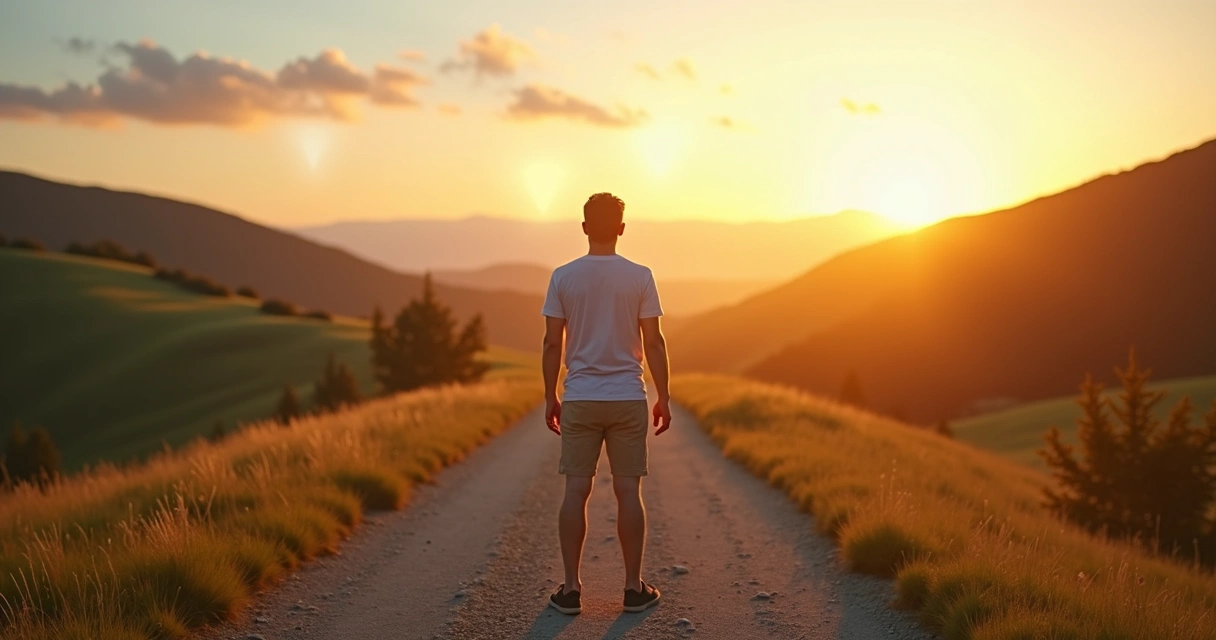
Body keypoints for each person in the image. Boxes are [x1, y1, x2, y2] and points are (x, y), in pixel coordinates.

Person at [541, 192, 671, 615]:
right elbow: (653, 340)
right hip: (627, 397)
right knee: (627, 491)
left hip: (580, 397)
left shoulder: (563, 276)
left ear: (583, 228)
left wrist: (550, 396)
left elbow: (550, 342)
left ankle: (570, 589)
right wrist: (663, 395)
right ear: (621, 228)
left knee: (575, 490)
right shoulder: (640, 275)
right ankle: (633, 588)